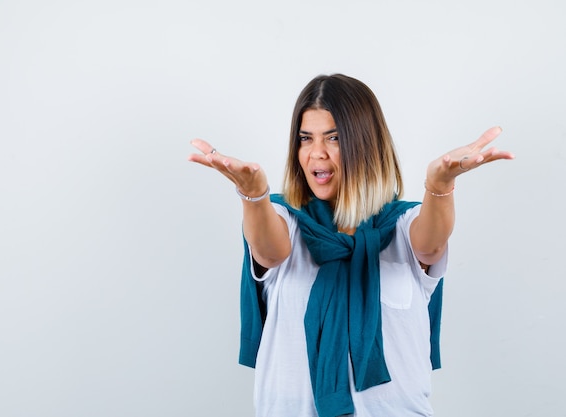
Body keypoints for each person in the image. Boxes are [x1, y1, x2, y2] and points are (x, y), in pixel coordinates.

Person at [187, 73, 514, 417]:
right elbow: (270, 250)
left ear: (364, 143)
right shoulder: (282, 218)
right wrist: (254, 196)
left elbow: (431, 245)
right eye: (305, 138)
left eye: (334, 138)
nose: (316, 154)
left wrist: (440, 183)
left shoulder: (403, 226)